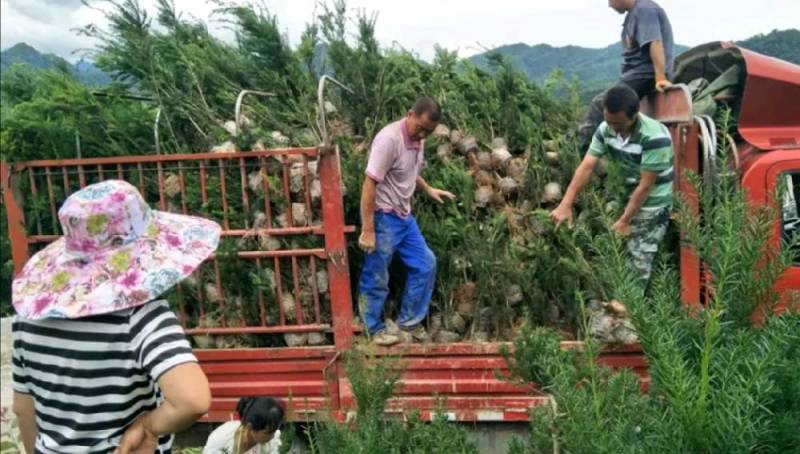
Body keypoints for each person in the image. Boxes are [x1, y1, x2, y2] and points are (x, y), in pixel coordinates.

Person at [10, 180, 221, 454]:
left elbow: (24, 410)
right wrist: (147, 427)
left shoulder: (29, 319)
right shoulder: (140, 317)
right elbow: (192, 400)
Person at [552, 84, 673, 287]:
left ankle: (629, 311)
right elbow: (587, 166)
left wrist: (625, 220)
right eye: (609, 121)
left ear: (635, 114)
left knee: (639, 257)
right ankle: (615, 294)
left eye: (619, 123)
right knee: (615, 249)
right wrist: (566, 203)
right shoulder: (605, 128)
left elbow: (645, 186)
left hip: (652, 202)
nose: (613, 128)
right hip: (624, 192)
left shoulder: (654, 137)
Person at [358, 96, 456, 346]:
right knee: (377, 273)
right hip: (382, 216)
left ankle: (408, 323)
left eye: (429, 132)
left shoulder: (418, 140)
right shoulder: (389, 140)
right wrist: (368, 229)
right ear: (410, 113)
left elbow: (410, 172)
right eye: (420, 127)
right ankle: (372, 328)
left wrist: (428, 189)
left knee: (426, 263)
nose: (422, 134)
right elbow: (370, 184)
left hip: (404, 217)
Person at [577, 0, 675, 153]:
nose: (609, 5)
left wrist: (660, 77)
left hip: (646, 74)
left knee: (601, 103)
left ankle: (575, 150)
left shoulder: (645, 9)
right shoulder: (634, 14)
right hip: (637, 74)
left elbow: (655, 43)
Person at [203, 397, 284, 454]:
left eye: (274, 431)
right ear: (250, 427)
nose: (273, 436)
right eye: (268, 433)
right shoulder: (221, 439)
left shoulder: (272, 441)